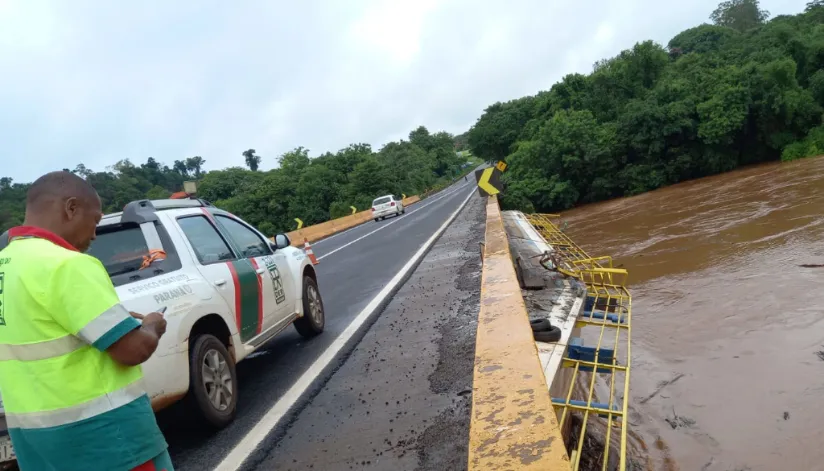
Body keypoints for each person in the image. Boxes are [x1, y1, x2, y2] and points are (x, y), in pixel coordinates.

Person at [0, 171, 172, 471]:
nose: (94, 234)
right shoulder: (67, 264)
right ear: (71, 208)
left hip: (35, 442)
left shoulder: (7, 264)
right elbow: (133, 350)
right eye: (94, 221)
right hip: (106, 438)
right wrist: (153, 325)